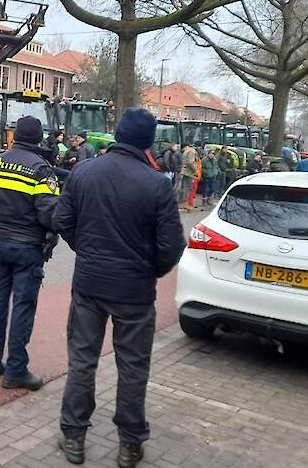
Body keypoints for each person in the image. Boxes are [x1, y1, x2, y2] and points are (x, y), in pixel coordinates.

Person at [54, 108, 186, 468]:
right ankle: (129, 445)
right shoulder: (157, 183)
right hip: (135, 291)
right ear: (147, 142)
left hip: (90, 285)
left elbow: (62, 219)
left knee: (82, 361)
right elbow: (172, 245)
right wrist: (149, 270)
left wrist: (87, 249)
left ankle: (74, 437)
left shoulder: (84, 172)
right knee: (133, 367)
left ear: (118, 134)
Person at [0, 115, 60, 391]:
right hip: (27, 247)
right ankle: (16, 370)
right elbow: (49, 213)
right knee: (23, 306)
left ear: (15, 137)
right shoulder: (42, 169)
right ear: (38, 139)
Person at [179, 141, 199, 208]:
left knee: (183, 187)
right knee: (188, 188)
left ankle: (181, 202)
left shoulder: (186, 152)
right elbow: (191, 162)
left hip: (184, 171)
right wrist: (195, 171)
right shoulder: (191, 151)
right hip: (189, 172)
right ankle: (185, 204)